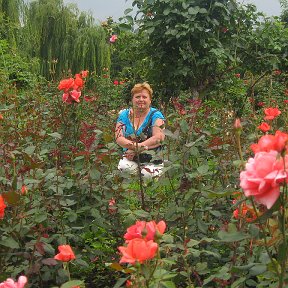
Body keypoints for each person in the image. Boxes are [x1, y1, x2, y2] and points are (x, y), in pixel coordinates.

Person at [115, 82, 165, 180]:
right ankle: (135, 181)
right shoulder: (124, 114)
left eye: (144, 97)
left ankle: (148, 176)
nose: (141, 99)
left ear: (150, 100)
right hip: (130, 157)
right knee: (124, 167)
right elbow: (118, 137)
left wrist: (136, 149)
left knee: (147, 175)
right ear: (132, 99)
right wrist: (133, 148)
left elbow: (159, 138)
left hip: (152, 158)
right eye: (137, 97)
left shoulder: (156, 115)